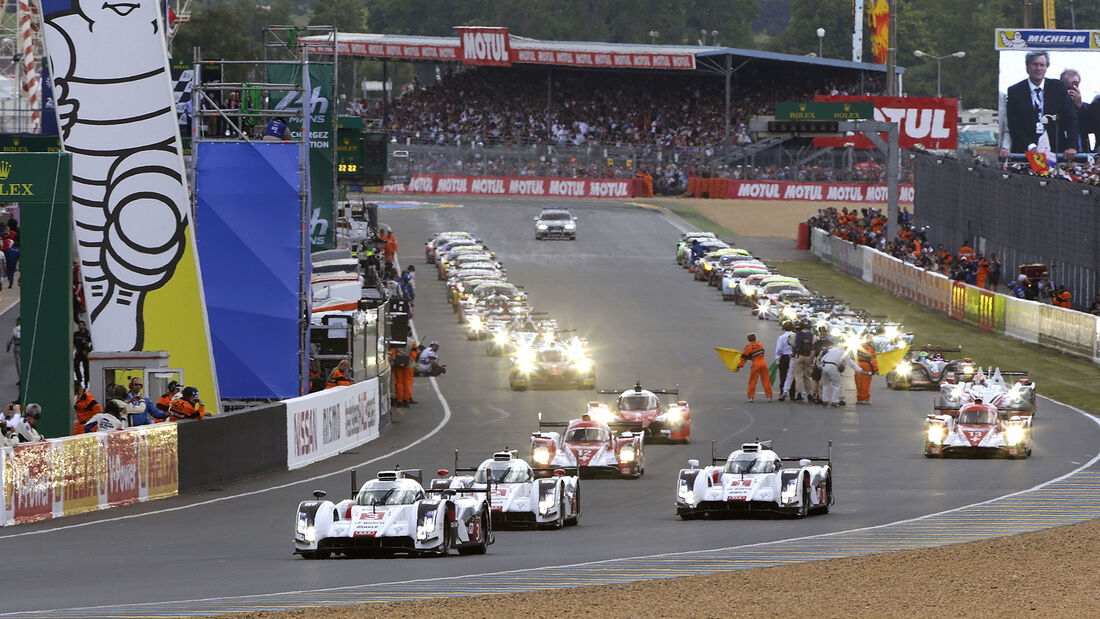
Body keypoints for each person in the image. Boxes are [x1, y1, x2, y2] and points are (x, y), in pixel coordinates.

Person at [1000, 51, 1078, 160]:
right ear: (1027, 67)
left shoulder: (1058, 87)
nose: (1038, 68)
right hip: (1025, 154)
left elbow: (1070, 119)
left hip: (1056, 151)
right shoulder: (1015, 91)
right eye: (1035, 64)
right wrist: (1031, 147)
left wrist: (1072, 146)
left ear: (1046, 68)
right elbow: (1014, 125)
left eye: (1042, 65)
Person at [1061, 68, 1094, 152]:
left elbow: (1090, 128)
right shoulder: (1055, 106)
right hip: (1062, 151)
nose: (1071, 91)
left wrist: (1080, 106)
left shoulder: (1086, 107)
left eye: (1075, 87)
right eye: (1068, 87)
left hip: (1082, 151)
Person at [816, 342, 857, 408]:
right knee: (837, 385)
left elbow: (820, 358)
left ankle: (824, 400)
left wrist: (820, 366)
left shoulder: (828, 350)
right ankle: (836, 401)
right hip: (835, 368)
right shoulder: (843, 352)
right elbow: (848, 363)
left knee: (825, 384)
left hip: (825, 367)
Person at [736, 332, 772, 402]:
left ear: (748, 340)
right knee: (766, 380)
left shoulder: (748, 348)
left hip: (756, 364)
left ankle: (751, 397)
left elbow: (743, 358)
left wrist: (739, 366)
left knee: (753, 381)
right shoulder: (760, 344)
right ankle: (769, 396)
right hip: (764, 363)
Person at [792, 323, 816, 403]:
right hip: (809, 357)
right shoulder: (813, 336)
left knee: (798, 376)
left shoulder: (797, 335)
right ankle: (809, 394)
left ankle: (799, 393)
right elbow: (814, 347)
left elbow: (793, 345)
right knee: (807, 377)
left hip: (799, 356)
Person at [391, 337, 418, 407]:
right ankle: (406, 400)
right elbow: (414, 352)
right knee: (408, 382)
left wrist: (394, 359)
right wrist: (410, 360)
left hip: (397, 364)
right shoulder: (412, 342)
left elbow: (392, 351)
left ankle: (399, 400)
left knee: (398, 382)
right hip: (408, 365)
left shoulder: (396, 341)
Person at [854, 338, 879, 404]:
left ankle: (859, 399)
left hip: (858, 365)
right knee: (866, 382)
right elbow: (873, 359)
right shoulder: (870, 348)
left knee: (858, 383)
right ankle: (865, 399)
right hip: (866, 366)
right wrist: (876, 369)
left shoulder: (859, 346)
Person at [775, 323, 795, 401]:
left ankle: (782, 392)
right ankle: (792, 394)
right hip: (793, 357)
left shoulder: (781, 337)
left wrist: (777, 360)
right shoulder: (795, 336)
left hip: (784, 357)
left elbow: (779, 349)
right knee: (792, 375)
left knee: (783, 375)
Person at [73, 320, 93, 388]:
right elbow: (73, 342)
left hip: (85, 353)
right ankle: (79, 380)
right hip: (78, 352)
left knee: (86, 368)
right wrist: (75, 348)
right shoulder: (76, 334)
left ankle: (86, 382)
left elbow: (92, 344)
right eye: (79, 325)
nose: (80, 326)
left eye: (82, 325)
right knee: (75, 365)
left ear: (84, 326)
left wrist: (87, 351)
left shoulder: (87, 334)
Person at [6, 316, 20, 381]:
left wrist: (8, 348)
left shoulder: (15, 329)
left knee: (18, 363)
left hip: (17, 347)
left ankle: (20, 378)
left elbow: (9, 340)